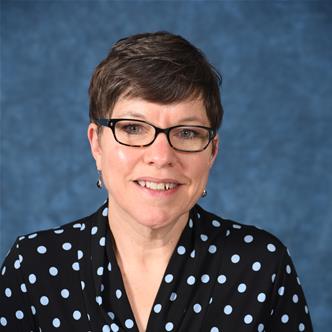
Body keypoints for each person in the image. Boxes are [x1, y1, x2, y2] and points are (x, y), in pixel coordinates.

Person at [0, 31, 313, 332]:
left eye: (187, 133)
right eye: (133, 128)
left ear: (212, 152)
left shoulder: (261, 266)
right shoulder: (34, 267)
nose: (161, 156)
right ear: (97, 144)